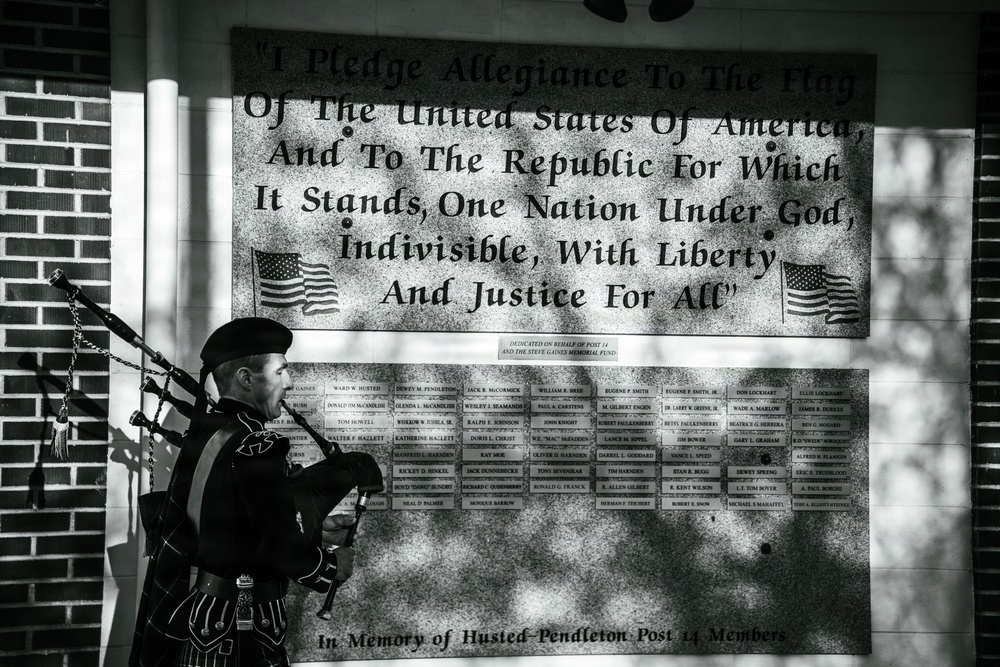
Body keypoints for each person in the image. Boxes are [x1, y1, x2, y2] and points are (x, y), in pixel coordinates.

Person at [129, 317, 380, 667]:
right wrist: (329, 565)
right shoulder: (255, 445)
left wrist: (314, 529)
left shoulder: (212, 432)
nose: (289, 383)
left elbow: (231, 522)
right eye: (281, 372)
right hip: (241, 625)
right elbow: (275, 543)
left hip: (207, 619)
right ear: (247, 379)